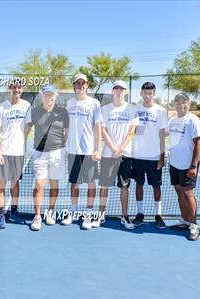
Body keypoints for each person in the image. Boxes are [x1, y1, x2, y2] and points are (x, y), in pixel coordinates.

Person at [92, 80, 137, 229]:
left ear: (125, 92)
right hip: (108, 154)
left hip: (125, 155)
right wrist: (113, 149)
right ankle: (101, 215)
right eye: (116, 89)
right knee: (104, 186)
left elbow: (132, 132)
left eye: (121, 89)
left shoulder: (132, 109)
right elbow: (103, 131)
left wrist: (121, 149)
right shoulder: (104, 109)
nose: (118, 91)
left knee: (124, 186)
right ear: (113, 91)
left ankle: (125, 216)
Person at [63, 73, 102, 230]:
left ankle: (88, 214)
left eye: (83, 83)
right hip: (73, 151)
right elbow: (66, 127)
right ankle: (73, 212)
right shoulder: (69, 103)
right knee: (74, 184)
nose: (80, 86)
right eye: (77, 83)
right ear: (74, 86)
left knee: (91, 184)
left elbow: (98, 128)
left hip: (89, 151)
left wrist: (98, 149)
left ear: (87, 85)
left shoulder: (95, 103)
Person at [0, 79, 32, 229]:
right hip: (4, 152)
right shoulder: (1, 107)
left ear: (22, 89)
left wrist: (20, 142)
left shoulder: (26, 106)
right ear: (10, 88)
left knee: (15, 183)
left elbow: (28, 126)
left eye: (19, 87)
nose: (16, 90)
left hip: (18, 153)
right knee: (1, 184)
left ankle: (14, 211)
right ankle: (1, 214)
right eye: (14, 87)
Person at [30, 84, 69, 231]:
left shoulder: (63, 112)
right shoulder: (35, 112)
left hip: (58, 153)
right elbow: (26, 128)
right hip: (40, 153)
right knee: (39, 184)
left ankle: (51, 212)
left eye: (51, 95)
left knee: (54, 185)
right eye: (46, 94)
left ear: (55, 96)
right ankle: (37, 216)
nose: (49, 97)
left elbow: (67, 132)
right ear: (42, 96)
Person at [167, 93, 200, 240]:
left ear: (188, 103)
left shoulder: (193, 120)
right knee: (179, 191)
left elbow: (199, 143)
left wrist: (193, 165)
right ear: (175, 104)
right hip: (174, 163)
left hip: (188, 165)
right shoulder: (172, 120)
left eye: (185, 102)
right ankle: (185, 220)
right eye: (179, 102)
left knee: (188, 194)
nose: (182, 105)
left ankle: (194, 225)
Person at [131, 82, 167, 229]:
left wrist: (162, 156)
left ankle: (158, 215)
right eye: (145, 93)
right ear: (141, 93)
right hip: (137, 156)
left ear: (154, 94)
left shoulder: (160, 111)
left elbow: (162, 135)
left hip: (154, 157)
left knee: (156, 187)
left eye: (150, 93)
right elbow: (130, 131)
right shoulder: (135, 110)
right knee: (139, 184)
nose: (147, 95)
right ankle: (140, 213)